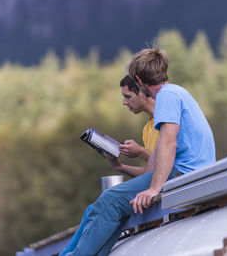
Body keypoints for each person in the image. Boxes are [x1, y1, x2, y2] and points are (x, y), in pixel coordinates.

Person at [63, 48, 216, 255]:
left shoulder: (167, 97)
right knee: (114, 206)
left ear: (138, 79)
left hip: (184, 173)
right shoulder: (176, 92)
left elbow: (168, 143)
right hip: (184, 170)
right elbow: (154, 166)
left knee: (109, 202)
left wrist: (154, 189)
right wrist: (121, 167)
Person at [60, 75, 159, 255]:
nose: (124, 102)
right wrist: (121, 167)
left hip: (168, 180)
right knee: (93, 209)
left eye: (127, 96)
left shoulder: (165, 121)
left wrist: (140, 152)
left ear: (143, 94)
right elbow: (150, 173)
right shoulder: (148, 129)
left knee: (109, 201)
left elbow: (167, 164)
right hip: (155, 181)